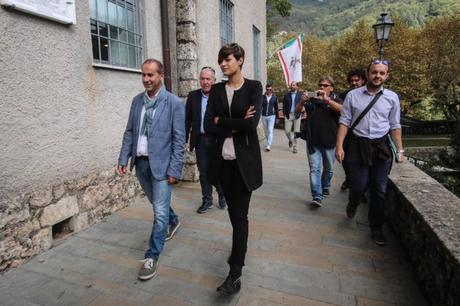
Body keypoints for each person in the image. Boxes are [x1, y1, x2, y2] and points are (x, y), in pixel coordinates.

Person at [117, 59, 185, 281]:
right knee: (158, 204)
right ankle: (173, 220)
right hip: (141, 164)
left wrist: (174, 169)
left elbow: (178, 139)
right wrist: (123, 158)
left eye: (150, 75)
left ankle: (151, 256)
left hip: (163, 166)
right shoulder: (137, 102)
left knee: (159, 212)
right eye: (143, 75)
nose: (146, 79)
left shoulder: (174, 103)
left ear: (161, 76)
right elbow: (130, 132)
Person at [204, 43, 262, 295]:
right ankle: (237, 253)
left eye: (227, 60)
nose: (223, 64)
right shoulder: (216, 90)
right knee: (233, 216)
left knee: (239, 217)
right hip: (221, 165)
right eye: (221, 60)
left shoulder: (253, 87)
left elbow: (252, 126)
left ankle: (234, 273)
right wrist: (235, 123)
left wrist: (223, 121)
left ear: (240, 60)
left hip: (243, 166)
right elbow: (208, 124)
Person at [335, 60, 404, 246]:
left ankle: (376, 228)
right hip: (358, 146)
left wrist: (400, 149)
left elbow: (395, 125)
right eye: (375, 72)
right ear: (368, 73)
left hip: (381, 148)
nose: (378, 76)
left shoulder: (392, 97)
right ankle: (353, 203)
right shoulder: (353, 96)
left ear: (387, 76)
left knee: (379, 189)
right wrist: (339, 145)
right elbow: (345, 121)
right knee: (358, 186)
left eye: (382, 73)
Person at [185, 66, 227, 214]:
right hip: (200, 141)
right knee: (203, 172)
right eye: (202, 79)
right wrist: (184, 139)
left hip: (217, 141)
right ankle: (207, 200)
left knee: (217, 172)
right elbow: (187, 119)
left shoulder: (221, 96)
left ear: (214, 81)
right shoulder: (193, 96)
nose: (205, 82)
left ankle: (222, 194)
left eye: (208, 79)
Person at [296, 76, 343, 207]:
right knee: (315, 169)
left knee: (329, 169)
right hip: (313, 141)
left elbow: (343, 111)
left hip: (330, 142)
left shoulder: (336, 100)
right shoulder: (312, 99)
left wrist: (327, 101)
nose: (321, 87)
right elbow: (297, 111)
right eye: (320, 85)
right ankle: (317, 196)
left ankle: (325, 185)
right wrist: (301, 101)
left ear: (331, 88)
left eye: (325, 85)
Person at [338, 68, 367, 190]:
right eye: (351, 81)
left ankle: (359, 188)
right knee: (346, 160)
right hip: (347, 133)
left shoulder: (371, 95)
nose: (354, 83)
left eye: (357, 80)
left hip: (364, 134)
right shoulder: (344, 95)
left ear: (363, 80)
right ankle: (349, 179)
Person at [283, 81, 302, 153]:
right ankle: (290, 140)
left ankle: (295, 147)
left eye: (294, 85)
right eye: (291, 85)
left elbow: (303, 104)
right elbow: (284, 105)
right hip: (289, 115)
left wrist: (301, 111)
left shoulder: (300, 95)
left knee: (296, 132)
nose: (292, 86)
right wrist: (285, 113)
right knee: (287, 130)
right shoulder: (286, 95)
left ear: (297, 87)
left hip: (297, 115)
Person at [261, 83, 278, 151]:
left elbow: (276, 107)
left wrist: (277, 117)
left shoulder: (274, 97)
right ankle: (268, 142)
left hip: (272, 116)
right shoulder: (262, 97)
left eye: (270, 89)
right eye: (267, 89)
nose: (269, 91)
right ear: (266, 89)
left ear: (272, 90)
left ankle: (268, 145)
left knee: (270, 130)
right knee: (266, 131)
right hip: (264, 115)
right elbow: (260, 106)